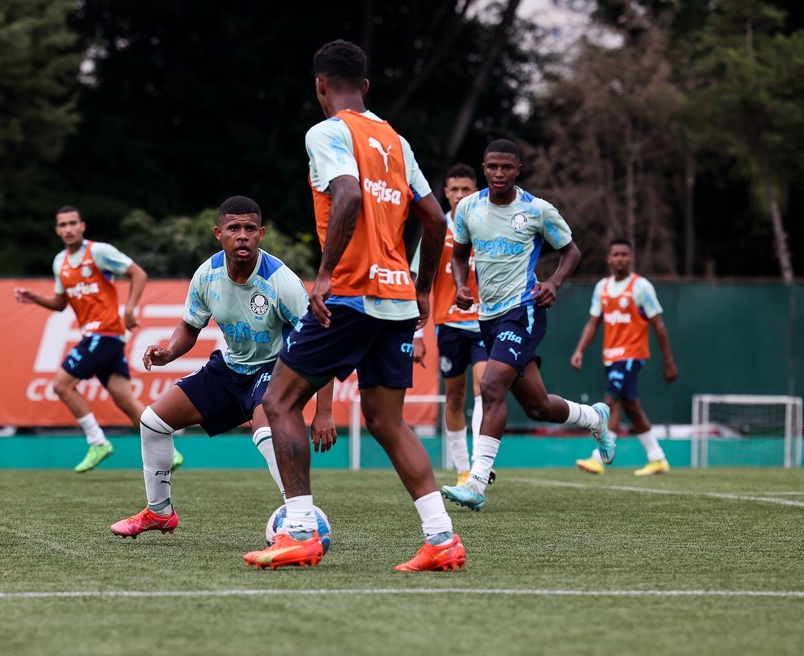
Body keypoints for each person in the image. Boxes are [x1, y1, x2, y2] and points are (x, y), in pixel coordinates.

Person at [244, 39, 466, 572]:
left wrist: (323, 278)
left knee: (278, 402)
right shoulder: (395, 139)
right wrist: (420, 287)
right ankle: (442, 539)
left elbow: (346, 196)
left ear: (321, 85)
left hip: (349, 293)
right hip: (394, 298)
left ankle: (299, 531)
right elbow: (435, 220)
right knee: (388, 421)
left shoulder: (326, 132)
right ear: (365, 86)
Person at [109, 196, 335, 538]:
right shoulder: (207, 275)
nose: (241, 235)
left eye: (249, 229)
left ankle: (298, 517)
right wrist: (169, 352)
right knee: (153, 422)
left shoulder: (281, 281)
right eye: (233, 228)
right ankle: (159, 512)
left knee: (266, 431)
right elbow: (190, 325)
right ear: (219, 234)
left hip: (275, 368)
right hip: (230, 369)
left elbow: (320, 344)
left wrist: (324, 412)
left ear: (261, 234)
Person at [440, 138, 614, 512]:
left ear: (518, 169)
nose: (498, 173)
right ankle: (595, 418)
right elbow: (457, 255)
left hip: (523, 310)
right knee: (537, 407)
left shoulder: (537, 210)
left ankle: (476, 481)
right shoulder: (468, 208)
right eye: (492, 167)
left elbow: (571, 251)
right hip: (487, 317)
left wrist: (552, 283)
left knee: (490, 384)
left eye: (506, 167)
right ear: (483, 168)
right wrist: (458, 285)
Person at [14, 206, 184, 473]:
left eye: (73, 223)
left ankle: (97, 441)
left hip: (103, 333)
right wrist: (35, 298)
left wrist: (129, 309)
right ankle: (169, 452)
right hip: (100, 337)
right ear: (57, 230)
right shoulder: (60, 262)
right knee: (124, 398)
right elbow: (60, 303)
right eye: (63, 225)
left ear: (82, 226)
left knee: (61, 385)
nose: (68, 229)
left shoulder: (99, 252)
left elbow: (138, 273)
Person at [411, 163, 495, 487]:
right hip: (448, 325)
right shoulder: (435, 230)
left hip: (483, 322)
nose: (460, 195)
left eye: (466, 190)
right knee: (456, 398)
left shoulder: (487, 227)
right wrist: (418, 334)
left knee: (484, 389)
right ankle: (462, 468)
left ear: (476, 192)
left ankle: (479, 467)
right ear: (445, 193)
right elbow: (419, 285)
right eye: (455, 190)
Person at [571, 238, 679, 475]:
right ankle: (657, 458)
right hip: (610, 356)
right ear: (609, 259)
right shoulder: (602, 287)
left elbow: (658, 325)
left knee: (610, 402)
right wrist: (579, 350)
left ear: (632, 258)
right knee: (631, 407)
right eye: (615, 254)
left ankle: (598, 457)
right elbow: (593, 323)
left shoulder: (641, 287)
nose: (619, 258)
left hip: (632, 355)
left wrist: (668, 361)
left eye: (624, 254)